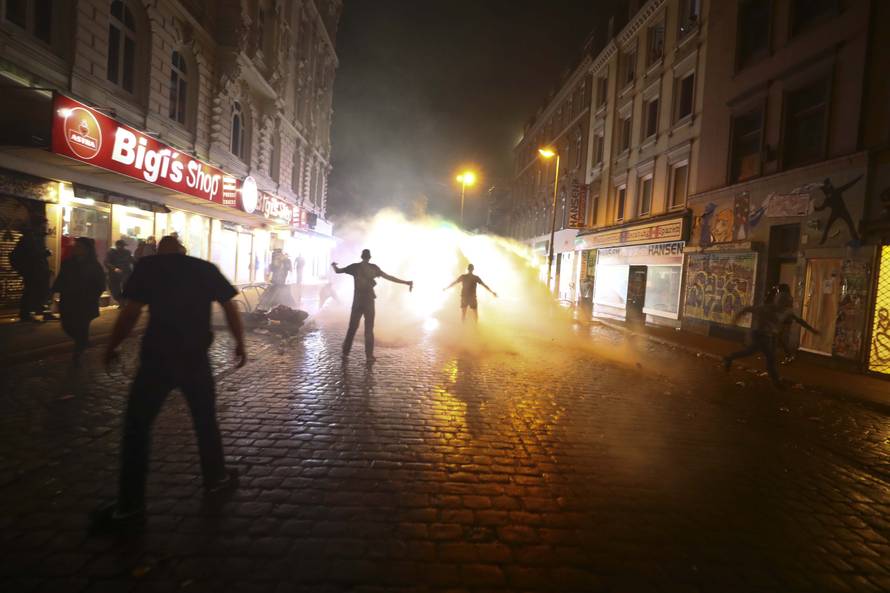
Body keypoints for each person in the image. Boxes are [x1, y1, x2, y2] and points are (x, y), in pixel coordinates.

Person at [91, 235, 246, 531]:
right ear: (183, 251)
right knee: (205, 422)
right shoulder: (203, 268)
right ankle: (216, 479)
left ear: (159, 251)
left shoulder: (149, 268)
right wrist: (240, 342)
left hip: (157, 359)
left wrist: (112, 346)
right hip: (195, 358)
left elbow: (131, 312)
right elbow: (230, 307)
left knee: (137, 428)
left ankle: (130, 506)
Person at [723, 293, 819, 388]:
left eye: (785, 304)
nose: (783, 306)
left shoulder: (786, 311)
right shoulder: (767, 308)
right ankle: (776, 382)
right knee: (769, 357)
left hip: (768, 335)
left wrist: (812, 330)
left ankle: (729, 358)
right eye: (782, 304)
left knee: (752, 352)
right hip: (759, 334)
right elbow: (748, 309)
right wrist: (735, 320)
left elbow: (800, 321)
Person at [332, 248, 413, 362]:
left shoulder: (354, 267)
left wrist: (333, 265)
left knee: (352, 328)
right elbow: (389, 277)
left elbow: (338, 271)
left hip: (357, 301)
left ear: (361, 256)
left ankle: (345, 352)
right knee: (369, 329)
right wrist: (406, 282)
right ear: (369, 257)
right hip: (369, 302)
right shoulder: (374, 268)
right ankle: (369, 356)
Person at [51, 237, 106, 367]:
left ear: (87, 250)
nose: (76, 249)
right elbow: (61, 279)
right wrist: (54, 291)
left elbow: (100, 285)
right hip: (69, 301)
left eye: (79, 247)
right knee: (67, 325)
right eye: (76, 246)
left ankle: (78, 353)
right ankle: (83, 342)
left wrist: (92, 296)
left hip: (85, 303)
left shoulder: (94, 265)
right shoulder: (68, 263)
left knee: (81, 327)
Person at [9, 216, 56, 322]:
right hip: (33, 271)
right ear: (39, 225)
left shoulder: (38, 236)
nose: (46, 226)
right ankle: (26, 314)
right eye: (45, 224)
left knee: (44, 291)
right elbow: (32, 254)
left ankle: (44, 312)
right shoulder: (30, 237)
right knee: (32, 291)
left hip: (39, 269)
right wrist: (45, 253)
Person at [105, 239, 134, 305]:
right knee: (115, 289)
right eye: (121, 246)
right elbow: (106, 262)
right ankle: (121, 302)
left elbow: (132, 260)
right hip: (114, 274)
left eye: (123, 246)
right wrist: (115, 269)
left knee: (127, 287)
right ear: (117, 246)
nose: (123, 247)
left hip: (125, 272)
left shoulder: (127, 252)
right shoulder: (111, 252)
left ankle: (124, 302)